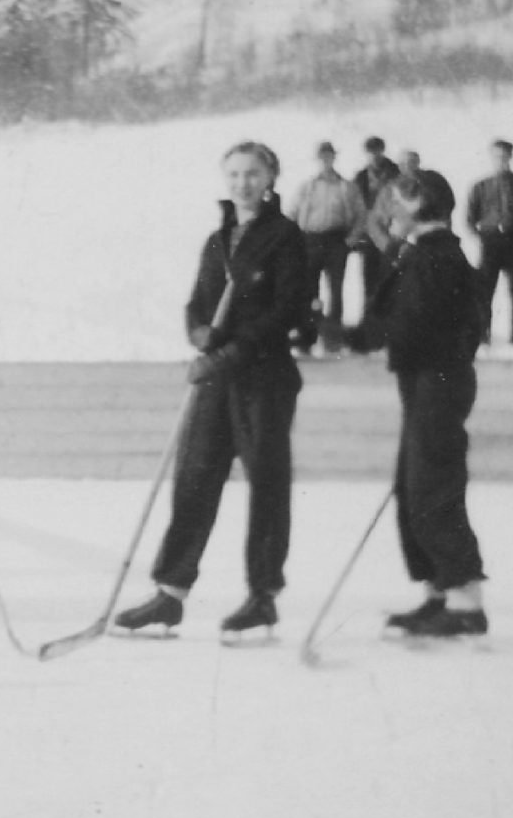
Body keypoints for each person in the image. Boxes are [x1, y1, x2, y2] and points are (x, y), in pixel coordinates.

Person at [115, 141, 313, 640]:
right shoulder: (217, 239)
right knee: (194, 478)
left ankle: (262, 596)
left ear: (270, 178)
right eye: (234, 174)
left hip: (263, 378)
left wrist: (232, 351)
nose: (242, 183)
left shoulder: (286, 238)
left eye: (252, 174)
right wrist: (199, 333)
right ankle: (170, 593)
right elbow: (196, 302)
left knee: (266, 484)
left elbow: (287, 310)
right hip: (216, 379)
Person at [355, 171, 490, 639]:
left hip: (438, 381)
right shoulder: (426, 255)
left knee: (432, 488)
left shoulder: (437, 258)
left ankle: (465, 603)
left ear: (418, 204)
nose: (389, 211)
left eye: (396, 202)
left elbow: (405, 323)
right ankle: (439, 593)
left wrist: (359, 337)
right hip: (426, 381)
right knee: (415, 487)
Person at [291, 140, 366, 354]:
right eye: (322, 156)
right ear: (317, 160)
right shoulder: (307, 187)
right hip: (310, 241)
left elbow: (361, 216)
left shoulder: (346, 186)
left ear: (334, 157)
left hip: (336, 242)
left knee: (335, 291)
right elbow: (291, 214)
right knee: (309, 291)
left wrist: (350, 240)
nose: (326, 160)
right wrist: (296, 242)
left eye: (329, 156)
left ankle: (333, 340)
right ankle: (308, 336)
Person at [464, 138, 513, 346]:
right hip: (490, 242)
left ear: (511, 157)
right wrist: (481, 235)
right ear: (492, 158)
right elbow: (469, 217)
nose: (501, 161)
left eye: (505, 156)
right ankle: (482, 335)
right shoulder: (481, 186)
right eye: (497, 157)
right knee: (484, 291)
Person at [347, 135, 402, 327]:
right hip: (368, 235)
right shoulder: (361, 177)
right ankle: (369, 326)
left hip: (391, 233)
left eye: (377, 151)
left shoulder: (396, 173)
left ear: (382, 151)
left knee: (390, 280)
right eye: (370, 152)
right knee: (368, 280)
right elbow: (354, 205)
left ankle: (389, 325)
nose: (374, 156)